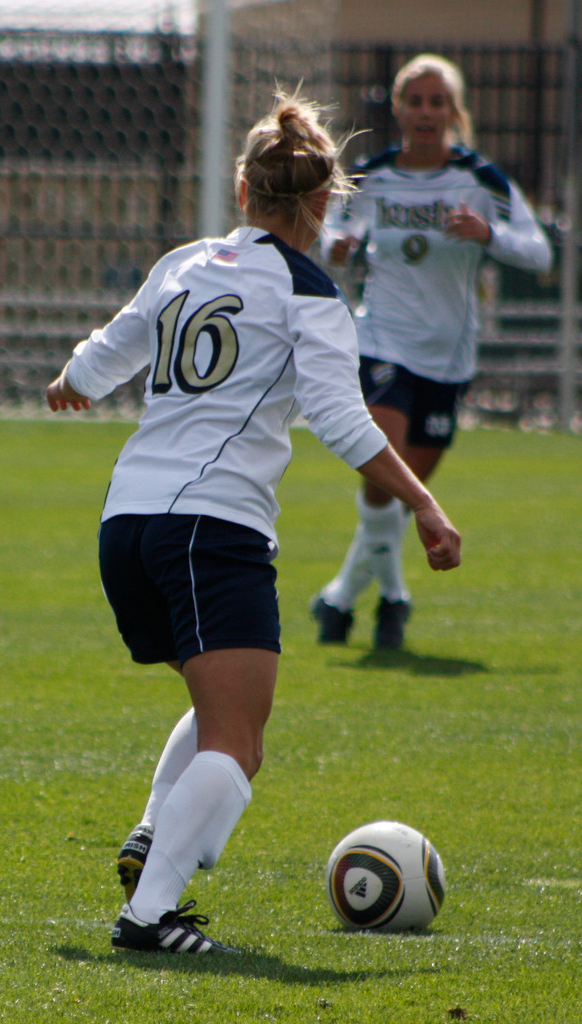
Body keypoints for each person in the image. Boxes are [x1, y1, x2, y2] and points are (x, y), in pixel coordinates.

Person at [46, 89, 461, 956]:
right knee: (239, 741)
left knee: (216, 700)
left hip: (126, 522)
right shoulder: (307, 291)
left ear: (242, 194)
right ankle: (149, 915)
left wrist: (72, 379)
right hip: (211, 526)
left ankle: (154, 834)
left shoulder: (183, 262)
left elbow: (104, 354)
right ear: (320, 205)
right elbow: (344, 421)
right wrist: (422, 502)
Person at [312, 53, 552, 650]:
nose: (425, 112)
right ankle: (393, 601)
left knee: (403, 495)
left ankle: (340, 598)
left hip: (449, 358)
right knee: (381, 480)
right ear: (397, 108)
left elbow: (540, 252)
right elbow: (328, 230)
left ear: (452, 111)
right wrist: (336, 246)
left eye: (436, 102)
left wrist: (489, 234)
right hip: (383, 340)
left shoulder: (480, 178)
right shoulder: (373, 174)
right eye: (414, 101)